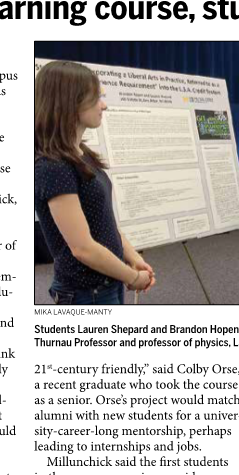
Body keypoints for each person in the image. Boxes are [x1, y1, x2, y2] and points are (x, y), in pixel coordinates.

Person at [35, 60, 155, 304]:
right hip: (86, 293)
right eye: (96, 98)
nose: (104, 105)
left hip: (107, 282)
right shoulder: (53, 167)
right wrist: (132, 277)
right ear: (71, 102)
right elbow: (83, 248)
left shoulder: (81, 153)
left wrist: (132, 257)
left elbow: (103, 222)